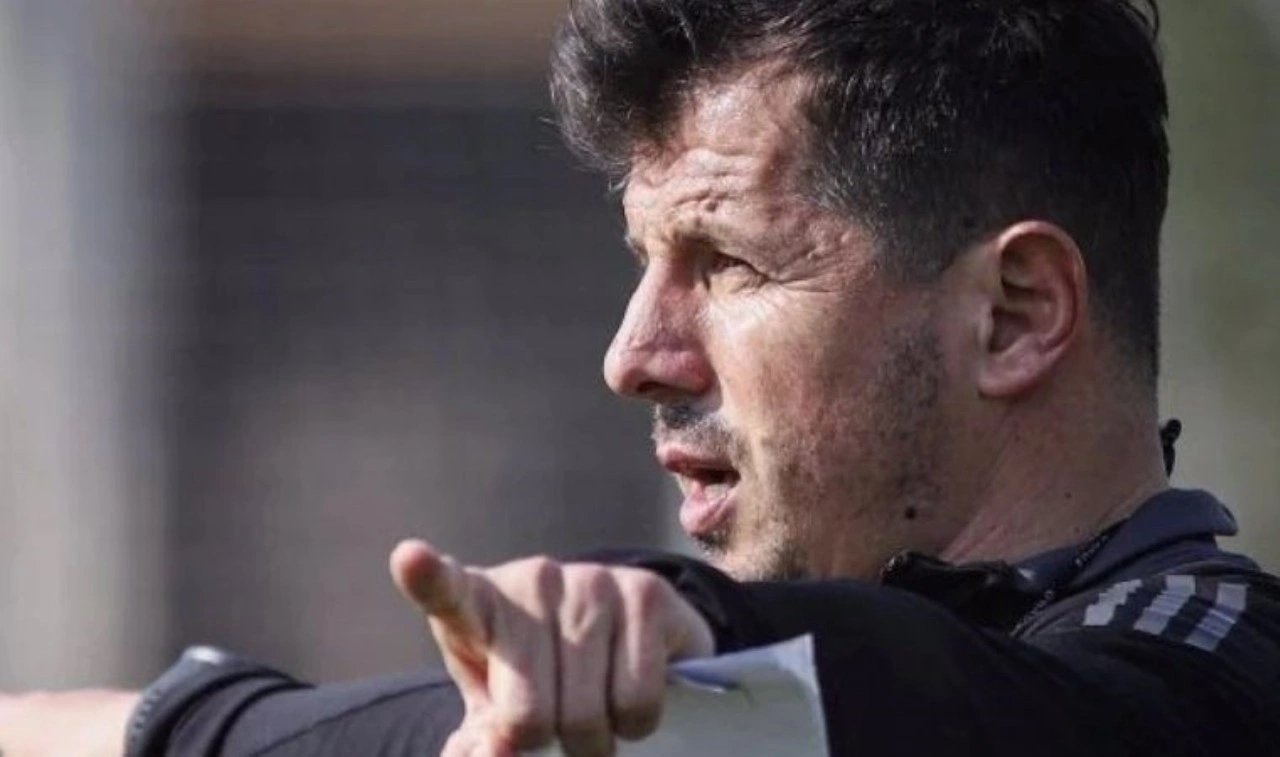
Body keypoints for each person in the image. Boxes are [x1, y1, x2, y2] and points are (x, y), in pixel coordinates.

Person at [3, 0, 1278, 755]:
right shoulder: (731, 720)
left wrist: (693, 624)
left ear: (1012, 315)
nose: (633, 357)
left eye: (725, 263)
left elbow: (977, 706)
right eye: (643, 263)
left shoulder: (1215, 673)